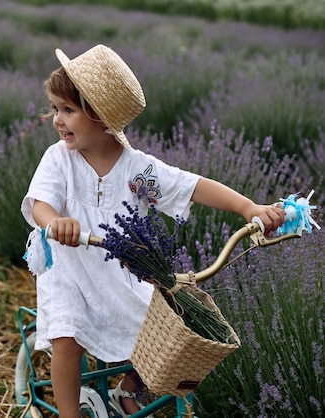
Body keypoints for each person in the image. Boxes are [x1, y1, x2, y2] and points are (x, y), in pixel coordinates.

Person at [20, 44, 285, 418]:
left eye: (68, 110)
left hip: (119, 270)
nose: (56, 120)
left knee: (162, 329)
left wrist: (248, 207)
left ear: (100, 116)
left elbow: (191, 186)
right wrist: (55, 223)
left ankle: (129, 391)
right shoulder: (59, 159)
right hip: (68, 266)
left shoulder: (137, 171)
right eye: (55, 108)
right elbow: (42, 203)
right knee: (67, 335)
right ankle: (69, 414)